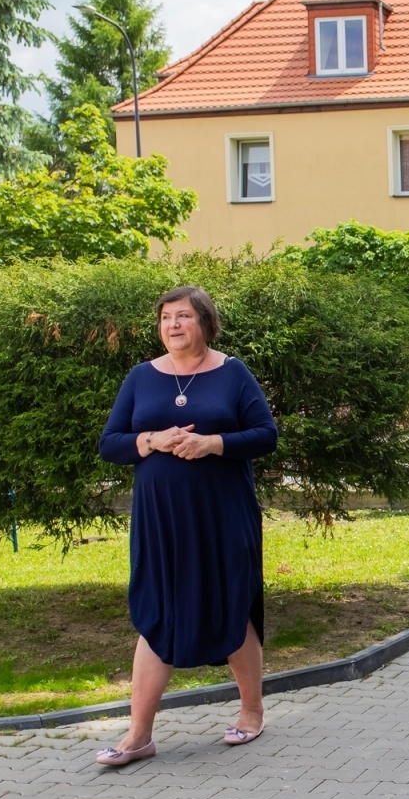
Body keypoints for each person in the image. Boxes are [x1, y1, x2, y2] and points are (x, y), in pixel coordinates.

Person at [94, 286, 279, 765]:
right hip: (161, 520)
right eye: (165, 318)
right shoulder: (141, 377)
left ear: (205, 322)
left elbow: (265, 435)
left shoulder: (232, 373)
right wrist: (152, 439)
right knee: (157, 611)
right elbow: (111, 442)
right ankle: (139, 734)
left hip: (222, 514)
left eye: (183, 317)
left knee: (230, 601)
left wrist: (213, 444)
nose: (173, 325)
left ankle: (251, 713)